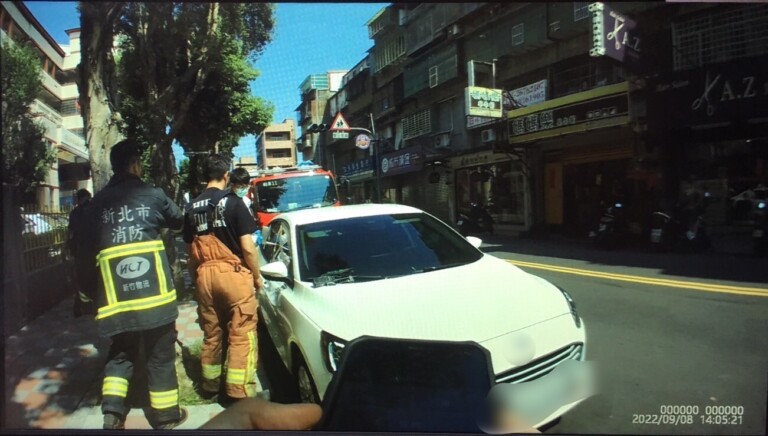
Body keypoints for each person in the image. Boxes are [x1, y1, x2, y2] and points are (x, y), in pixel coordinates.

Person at [84, 140, 187, 430]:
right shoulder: (153, 195)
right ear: (134, 164)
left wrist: (84, 294)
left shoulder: (97, 204)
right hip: (155, 298)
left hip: (117, 302)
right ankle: (166, 417)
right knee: (160, 356)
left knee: (120, 353)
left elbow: (84, 250)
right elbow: (179, 220)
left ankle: (112, 414)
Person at [184, 154, 264, 401]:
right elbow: (248, 248)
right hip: (232, 274)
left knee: (212, 332)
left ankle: (209, 386)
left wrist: (197, 281)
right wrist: (257, 277)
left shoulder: (191, 207)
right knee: (242, 332)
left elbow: (190, 253)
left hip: (204, 276)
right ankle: (237, 392)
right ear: (226, 175)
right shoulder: (233, 202)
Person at [68, 189, 97, 317]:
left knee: (81, 280)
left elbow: (71, 233)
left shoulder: (75, 213)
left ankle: (81, 307)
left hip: (80, 251)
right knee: (93, 278)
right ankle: (90, 306)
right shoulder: (93, 210)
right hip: (91, 250)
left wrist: (68, 248)